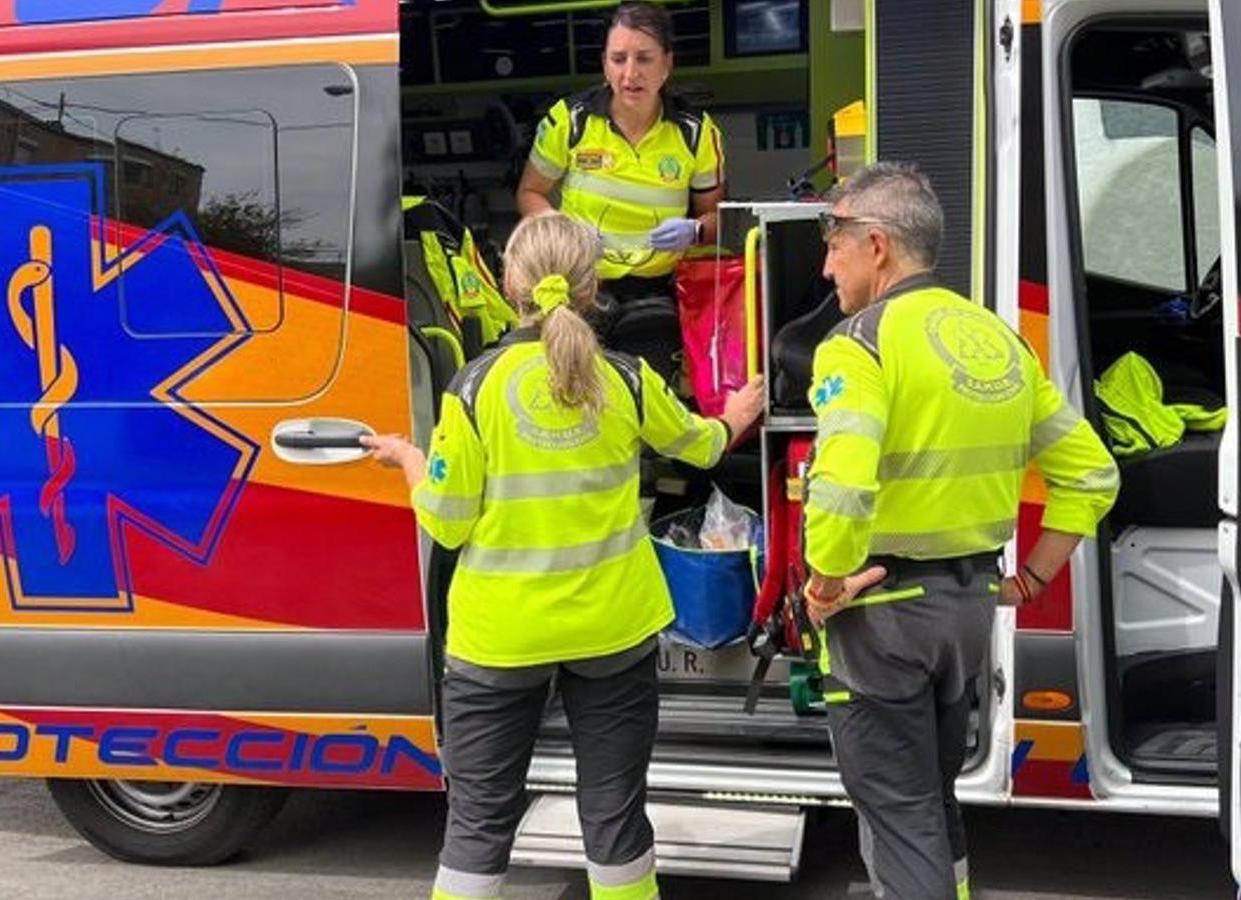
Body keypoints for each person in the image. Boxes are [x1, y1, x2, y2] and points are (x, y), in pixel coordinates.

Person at [362, 212, 763, 900]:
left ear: (510, 281)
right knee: (614, 821)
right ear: (593, 286)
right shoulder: (629, 379)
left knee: (479, 826)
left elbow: (449, 525)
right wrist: (739, 412)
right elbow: (700, 446)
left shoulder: (473, 387)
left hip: (499, 640)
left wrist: (408, 460)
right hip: (613, 629)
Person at [800, 163, 1119, 900]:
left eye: (834, 240)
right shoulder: (1000, 341)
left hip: (877, 613)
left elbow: (841, 488)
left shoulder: (859, 344)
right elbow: (1094, 474)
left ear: (875, 244)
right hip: (967, 611)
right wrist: (1033, 577)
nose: (825, 262)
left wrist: (825, 583)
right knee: (933, 801)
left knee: (899, 817)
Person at [516, 2, 725, 379]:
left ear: (667, 64)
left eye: (644, 58)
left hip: (658, 294)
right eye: (618, 58)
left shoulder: (696, 133)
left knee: (647, 400)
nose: (631, 73)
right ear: (604, 64)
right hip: (578, 288)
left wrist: (694, 232)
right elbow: (529, 193)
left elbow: (717, 217)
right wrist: (566, 232)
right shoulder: (569, 121)